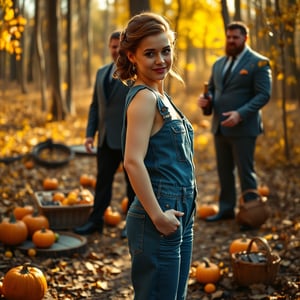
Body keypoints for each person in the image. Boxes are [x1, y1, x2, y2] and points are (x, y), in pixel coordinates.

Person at [115, 12, 197, 300]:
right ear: (132, 56)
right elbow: (132, 161)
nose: (161, 60)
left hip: (180, 212)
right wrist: (158, 216)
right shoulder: (144, 99)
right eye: (150, 53)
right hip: (157, 214)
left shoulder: (162, 97)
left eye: (166, 50)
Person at [198, 21, 272, 225]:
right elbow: (212, 89)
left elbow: (264, 95)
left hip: (244, 128)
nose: (231, 41)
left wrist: (240, 114)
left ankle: (252, 214)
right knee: (224, 171)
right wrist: (207, 100)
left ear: (245, 38)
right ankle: (226, 209)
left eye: (235, 37)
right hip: (220, 127)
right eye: (228, 37)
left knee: (245, 172)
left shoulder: (259, 62)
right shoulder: (219, 63)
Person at [74, 31, 135, 237]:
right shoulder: (101, 72)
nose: (116, 49)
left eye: (119, 46)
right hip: (106, 139)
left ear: (126, 49)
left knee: (133, 186)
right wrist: (90, 134)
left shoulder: (135, 74)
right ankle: (95, 221)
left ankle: (132, 225)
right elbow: (95, 106)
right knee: (102, 183)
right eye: (112, 46)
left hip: (130, 140)